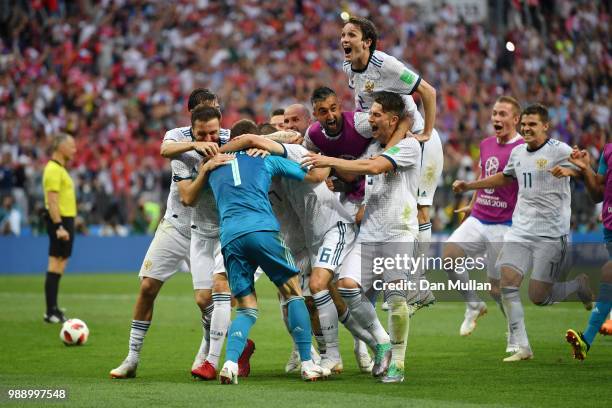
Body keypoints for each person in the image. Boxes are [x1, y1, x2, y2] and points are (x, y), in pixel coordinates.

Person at [452, 104, 594, 362]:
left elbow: (586, 171)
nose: (526, 129)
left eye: (532, 125)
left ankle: (577, 286)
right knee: (507, 284)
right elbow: (504, 178)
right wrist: (470, 186)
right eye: (524, 125)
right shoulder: (518, 153)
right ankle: (522, 346)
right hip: (520, 230)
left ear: (545, 126)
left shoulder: (560, 150)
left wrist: (572, 169)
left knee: (539, 297)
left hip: (551, 234)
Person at [302, 92, 422, 383]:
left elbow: (373, 167)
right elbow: (356, 172)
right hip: (369, 232)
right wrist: (331, 175)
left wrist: (327, 159)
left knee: (395, 297)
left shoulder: (409, 147)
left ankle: (399, 362)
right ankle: (382, 344)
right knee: (346, 285)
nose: (370, 119)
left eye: (376, 115)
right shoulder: (371, 147)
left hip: (399, 231)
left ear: (393, 120)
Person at [110, 89, 225, 379]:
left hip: (212, 229)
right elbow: (164, 150)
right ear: (192, 114)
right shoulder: (177, 138)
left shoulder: (224, 136)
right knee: (148, 287)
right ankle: (132, 358)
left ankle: (206, 352)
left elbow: (251, 139)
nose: (210, 116)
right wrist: (194, 147)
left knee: (206, 299)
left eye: (214, 109)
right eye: (203, 109)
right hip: (176, 224)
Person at [202, 139, 330, 384]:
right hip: (262, 230)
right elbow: (314, 176)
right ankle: (307, 363)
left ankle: (229, 363)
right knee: (293, 293)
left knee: (246, 307)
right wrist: (330, 163)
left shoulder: (213, 165)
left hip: (230, 237)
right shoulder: (265, 158)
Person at [340, 16, 441, 309]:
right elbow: (364, 108)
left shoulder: (386, 65)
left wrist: (427, 132)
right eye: (343, 35)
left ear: (367, 42)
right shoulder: (349, 69)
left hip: (418, 140)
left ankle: (417, 283)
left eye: (351, 35)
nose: (344, 40)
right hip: (390, 134)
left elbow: (429, 92)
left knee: (422, 210)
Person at [171, 107, 255, 380]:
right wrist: (205, 170)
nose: (209, 139)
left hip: (229, 231)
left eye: (214, 133)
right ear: (192, 132)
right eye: (202, 134)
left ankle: (211, 361)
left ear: (222, 130)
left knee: (222, 290)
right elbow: (187, 199)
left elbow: (258, 136)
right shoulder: (182, 157)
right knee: (202, 299)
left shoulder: (232, 145)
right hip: (200, 232)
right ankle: (239, 344)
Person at [443, 96, 524, 348]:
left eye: (503, 114)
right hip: (479, 216)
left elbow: (503, 179)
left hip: (504, 224)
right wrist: (472, 201)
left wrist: (468, 186)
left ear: (516, 119)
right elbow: (485, 174)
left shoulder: (521, 149)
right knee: (449, 255)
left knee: (498, 289)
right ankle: (473, 305)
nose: (497, 119)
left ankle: (515, 335)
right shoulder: (487, 144)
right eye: (495, 113)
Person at [565, 142, 612, 359]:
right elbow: (597, 193)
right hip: (610, 227)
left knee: (608, 273)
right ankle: (588, 339)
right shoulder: (609, 149)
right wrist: (585, 169)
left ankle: (587, 339)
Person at [42, 133, 77, 323]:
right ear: (60, 146)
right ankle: (50, 311)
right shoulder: (53, 169)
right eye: (71, 145)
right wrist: (59, 226)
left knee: (60, 264)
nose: (75, 149)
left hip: (66, 220)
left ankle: (53, 308)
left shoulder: (60, 169)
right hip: (60, 221)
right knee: (55, 263)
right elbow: (52, 201)